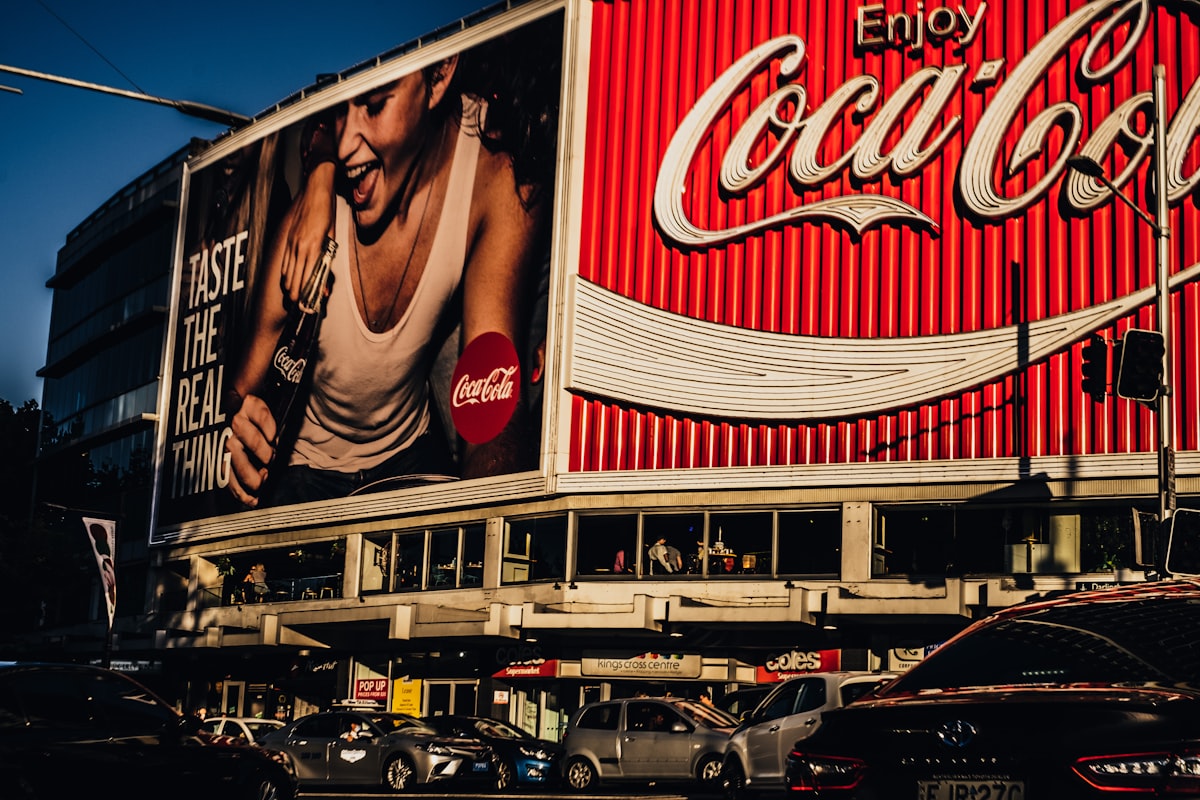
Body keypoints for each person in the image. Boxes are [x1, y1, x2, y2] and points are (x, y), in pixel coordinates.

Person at [225, 24, 559, 509]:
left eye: (376, 105)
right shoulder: (310, 225)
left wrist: (494, 551)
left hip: (412, 456)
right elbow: (241, 389)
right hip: (306, 472)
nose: (343, 148)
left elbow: (492, 406)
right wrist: (243, 429)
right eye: (340, 110)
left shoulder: (492, 168)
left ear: (440, 75)